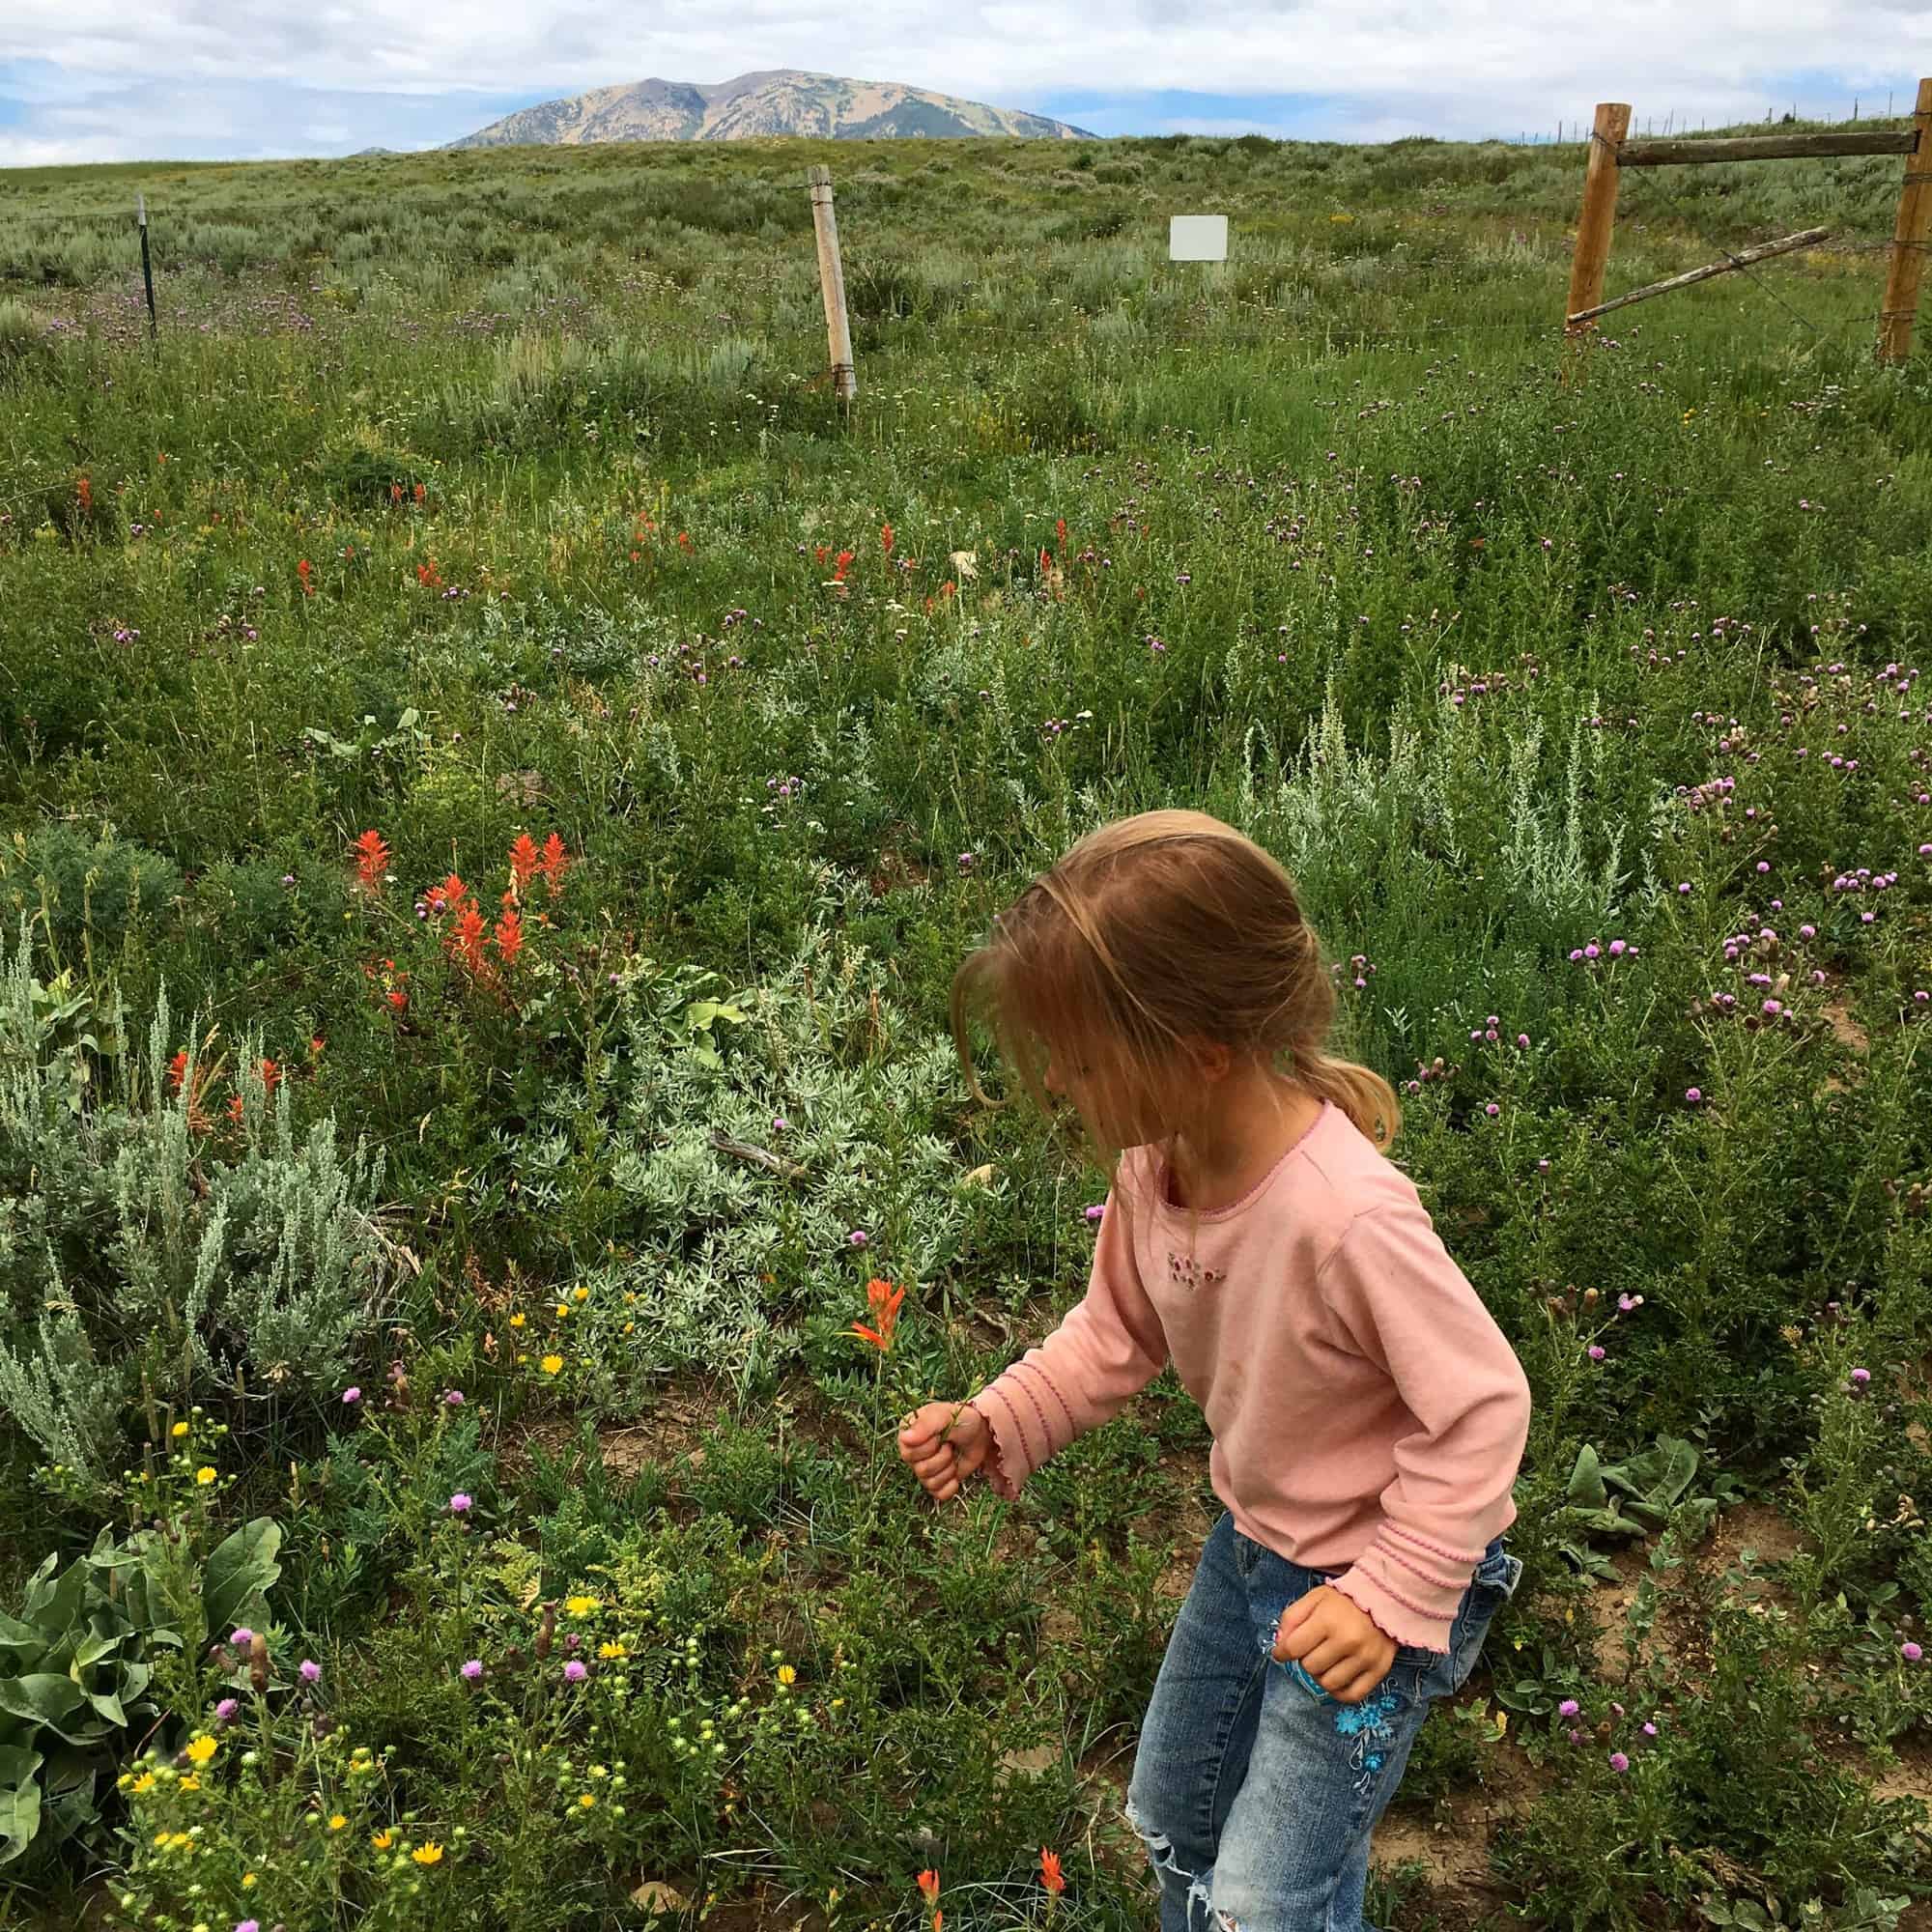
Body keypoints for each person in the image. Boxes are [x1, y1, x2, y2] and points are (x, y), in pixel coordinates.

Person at [897, 809, 1532, 1932]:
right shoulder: (1159, 1166)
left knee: (1265, 1894)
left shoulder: (1341, 1218)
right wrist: (999, 1418)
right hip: (1251, 1553)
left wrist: (1388, 1597)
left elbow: (1482, 1403)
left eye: (1081, 1061)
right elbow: (1112, 1333)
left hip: (1371, 1585)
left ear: (1195, 1053)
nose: (1058, 1085)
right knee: (1170, 1812)